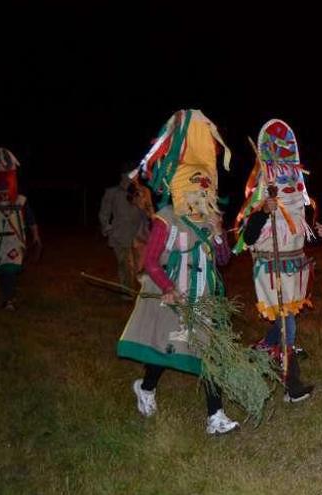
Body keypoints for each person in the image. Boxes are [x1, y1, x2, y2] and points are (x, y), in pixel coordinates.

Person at [116, 109, 239, 435]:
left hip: (205, 298)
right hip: (176, 297)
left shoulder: (212, 218)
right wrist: (168, 287)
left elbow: (224, 260)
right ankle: (146, 386)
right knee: (167, 351)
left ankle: (215, 418)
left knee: (210, 356)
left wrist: (217, 233)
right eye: (197, 190)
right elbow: (151, 262)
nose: (203, 196)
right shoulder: (166, 219)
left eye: (206, 189)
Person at [234, 119, 322, 403]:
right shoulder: (261, 192)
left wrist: (320, 234)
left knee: (286, 320)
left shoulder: (298, 191)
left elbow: (299, 232)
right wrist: (262, 212)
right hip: (270, 268)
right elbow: (247, 237)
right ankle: (291, 384)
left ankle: (260, 350)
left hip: (294, 267)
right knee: (288, 324)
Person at [0, 146, 41, 310]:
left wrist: (36, 236)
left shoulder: (20, 200)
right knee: (3, 271)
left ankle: (9, 299)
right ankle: (7, 296)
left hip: (14, 240)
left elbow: (31, 220)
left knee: (10, 270)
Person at [99, 170, 149, 291]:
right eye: (133, 175)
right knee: (126, 265)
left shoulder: (142, 192)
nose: (135, 177)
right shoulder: (113, 192)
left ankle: (142, 293)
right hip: (120, 235)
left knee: (141, 266)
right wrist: (107, 228)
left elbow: (147, 214)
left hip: (140, 235)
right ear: (124, 175)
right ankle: (127, 293)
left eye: (137, 175)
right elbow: (104, 213)